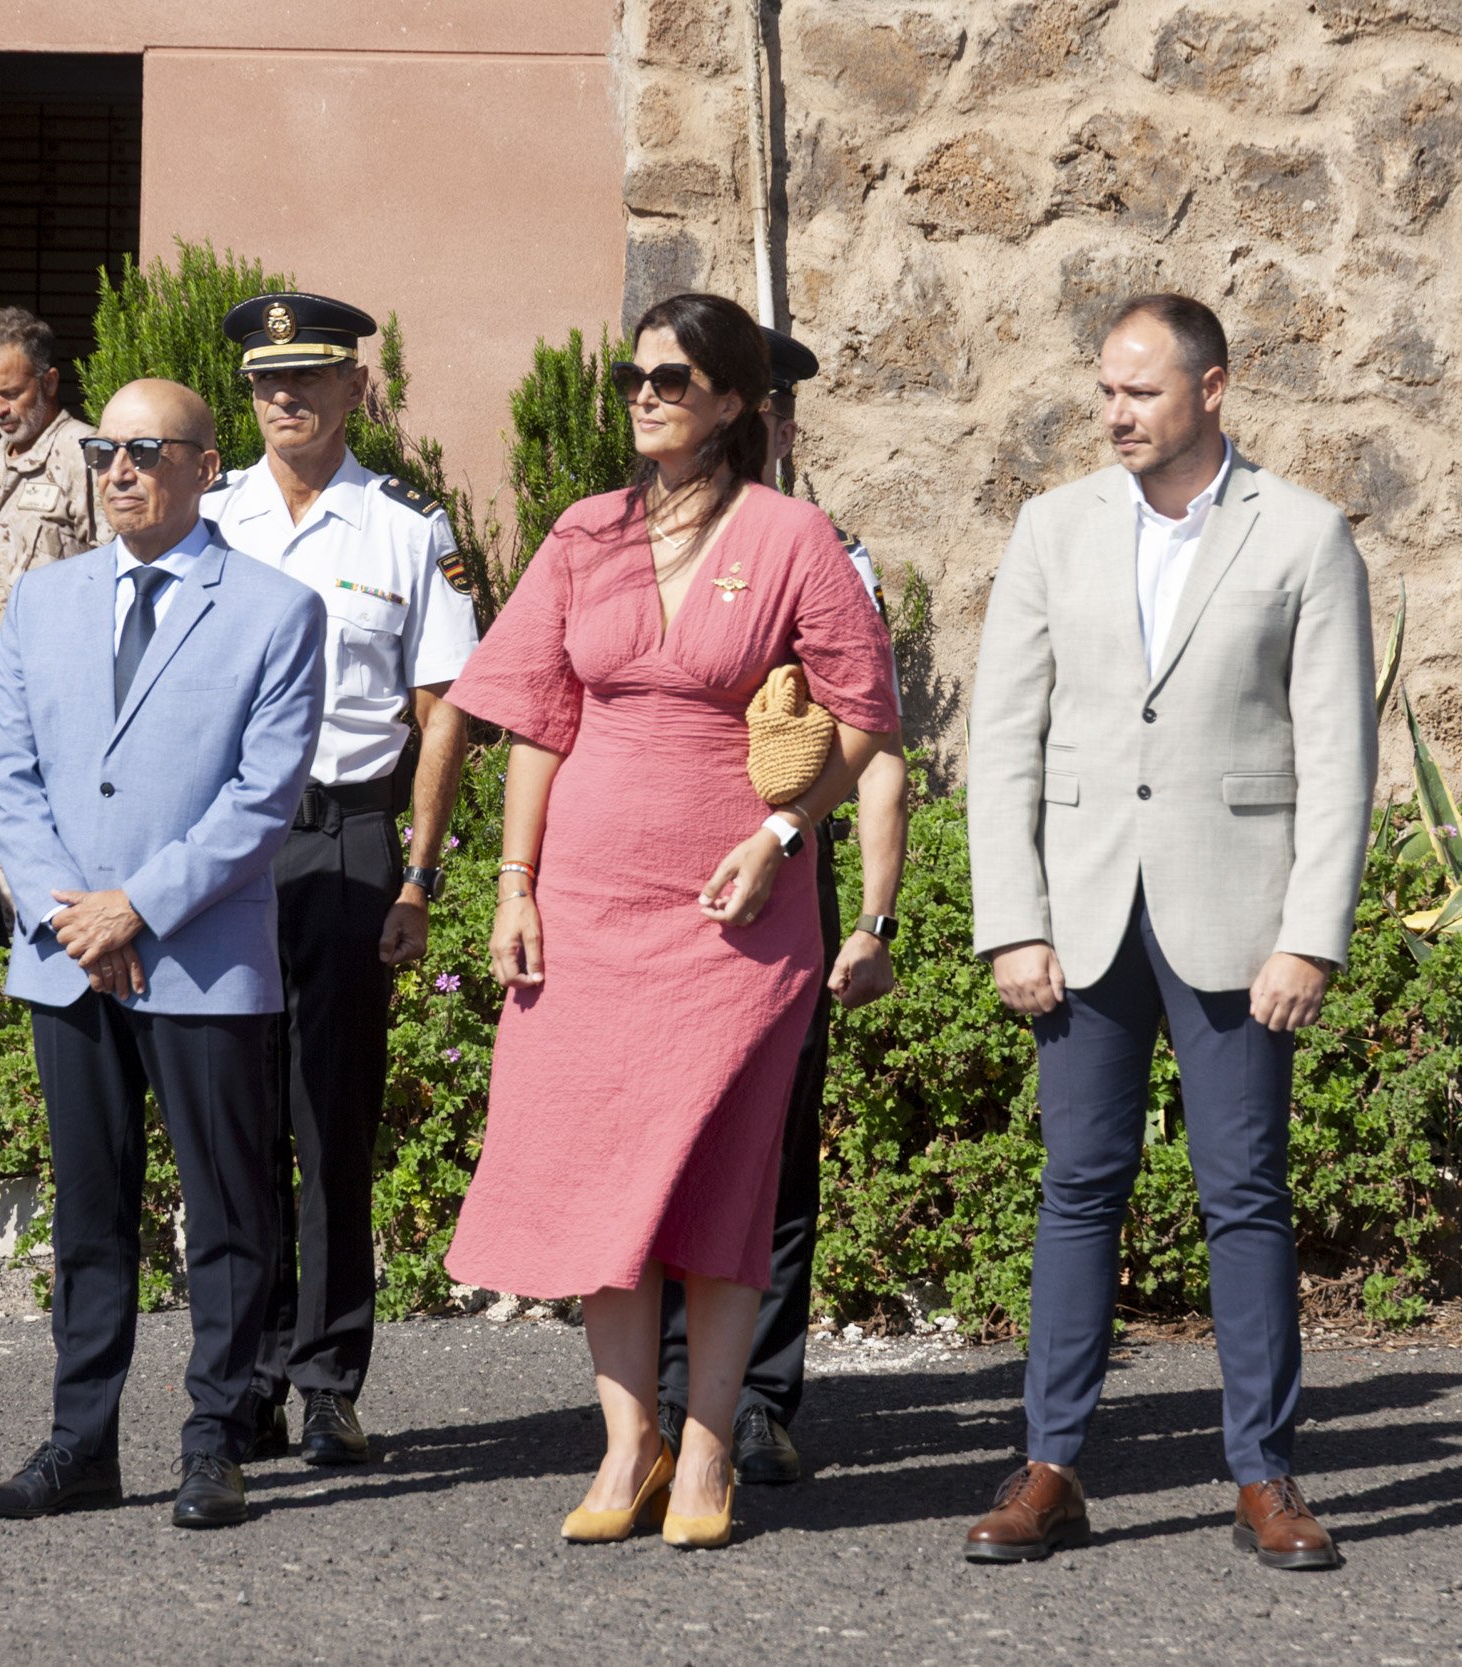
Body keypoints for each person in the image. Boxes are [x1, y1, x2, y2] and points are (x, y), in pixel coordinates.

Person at [442, 292, 899, 1549]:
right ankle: (625, 1442)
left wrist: (780, 838)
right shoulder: (582, 533)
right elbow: (537, 715)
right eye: (636, 375)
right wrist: (510, 885)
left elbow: (863, 717)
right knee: (600, 1178)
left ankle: (707, 1452)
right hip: (585, 906)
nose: (646, 394)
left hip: (736, 914)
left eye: (676, 379)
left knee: (719, 1173)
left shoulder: (793, 535)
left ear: (738, 402)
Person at [964, 293, 1376, 1568]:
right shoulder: (1052, 527)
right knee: (1076, 1188)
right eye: (1105, 389)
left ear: (1213, 387)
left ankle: (1263, 1470)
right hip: (1079, 916)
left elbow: (1336, 752)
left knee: (1243, 1193)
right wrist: (1010, 921)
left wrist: (1310, 934)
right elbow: (1004, 740)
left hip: (1237, 915)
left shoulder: (1302, 534)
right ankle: (1049, 1463)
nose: (1115, 412)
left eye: (1140, 390)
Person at [0, 378, 325, 1531]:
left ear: (203, 465)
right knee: (90, 1209)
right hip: (67, 956)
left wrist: (139, 907)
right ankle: (81, 1441)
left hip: (202, 957)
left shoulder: (274, 610)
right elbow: (7, 774)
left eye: (145, 450)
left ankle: (219, 1430)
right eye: (104, 452)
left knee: (226, 1211)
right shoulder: (43, 601)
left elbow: (262, 800)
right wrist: (77, 915)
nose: (117, 469)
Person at [199, 292, 479, 1469]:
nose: (286, 399)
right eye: (268, 381)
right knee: (233, 1111)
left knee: (332, 1111)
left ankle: (327, 1378)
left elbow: (442, 711)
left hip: (349, 838)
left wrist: (418, 873)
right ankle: (247, 1370)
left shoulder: (405, 528)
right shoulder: (209, 519)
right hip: (226, 849)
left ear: (356, 389)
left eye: (309, 379)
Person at [652, 324, 908, 1485]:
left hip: (774, 890)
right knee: (650, 1147)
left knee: (770, 1160)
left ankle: (754, 1394)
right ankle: (658, 1398)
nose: (775, 430)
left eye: (783, 412)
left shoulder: (826, 558)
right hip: (645, 894)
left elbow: (879, 748)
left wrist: (874, 920)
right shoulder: (639, 541)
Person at [0, 306, 105, 662]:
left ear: (49, 382)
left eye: (11, 393)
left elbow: (117, 570)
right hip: (3, 678)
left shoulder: (85, 456)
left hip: (68, 671)